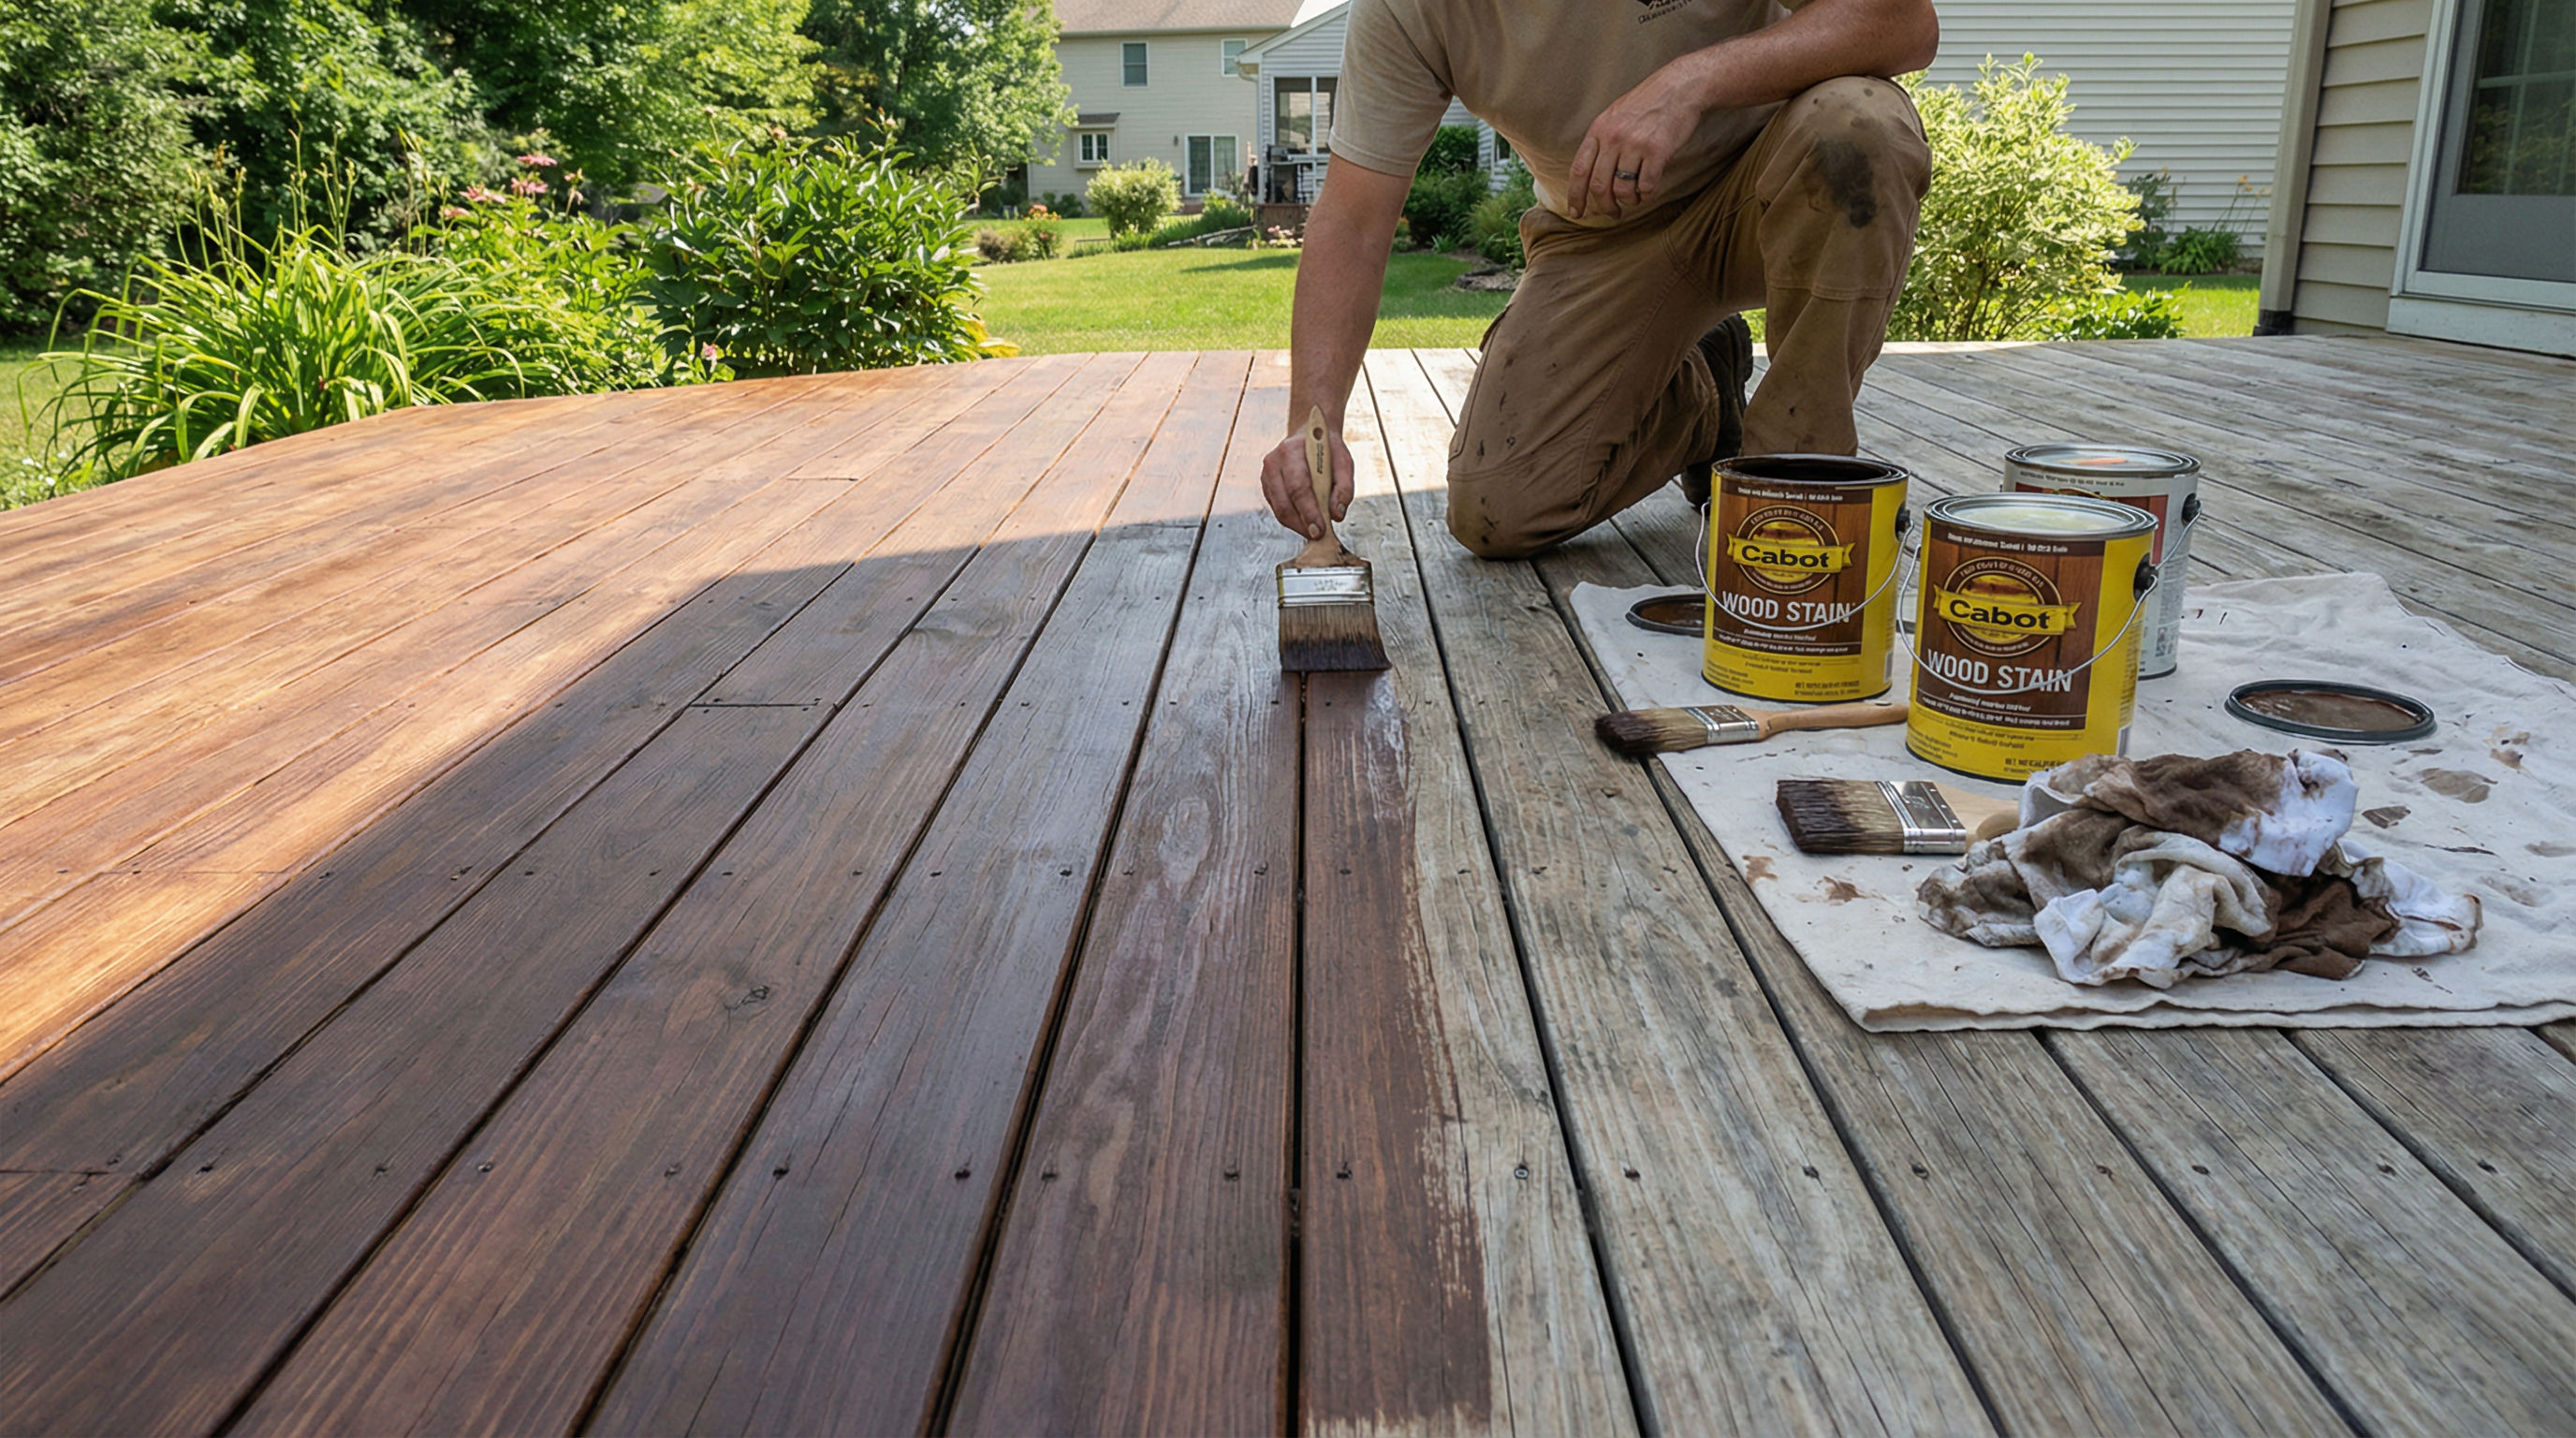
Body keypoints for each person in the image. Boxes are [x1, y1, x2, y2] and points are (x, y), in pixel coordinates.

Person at [1259, 0, 1939, 559]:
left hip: (1770, 187)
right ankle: (1706, 398)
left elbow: (1903, 20)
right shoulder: (1404, 10)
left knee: (1862, 124)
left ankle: (1795, 496)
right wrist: (1309, 429)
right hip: (1599, 234)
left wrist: (1689, 83)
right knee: (1498, 507)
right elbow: (1353, 222)